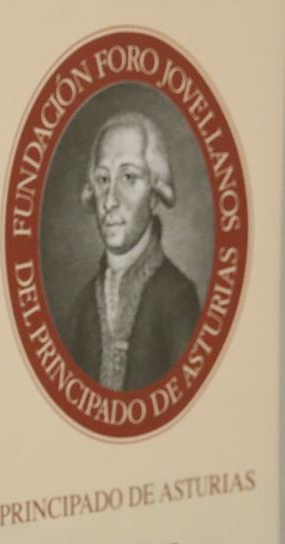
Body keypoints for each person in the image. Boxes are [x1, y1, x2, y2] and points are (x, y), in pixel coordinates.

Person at [55, 109, 203, 392]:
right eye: (102, 180)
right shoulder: (83, 305)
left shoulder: (177, 300)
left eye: (128, 177)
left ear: (155, 195)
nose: (110, 200)